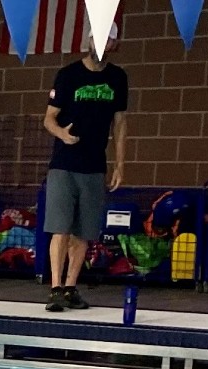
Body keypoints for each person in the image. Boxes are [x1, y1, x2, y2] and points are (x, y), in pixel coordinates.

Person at [40, 36, 128, 314]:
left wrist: (120, 164)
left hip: (94, 165)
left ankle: (70, 287)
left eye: (108, 40)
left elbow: (120, 124)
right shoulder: (69, 74)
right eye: (98, 38)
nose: (102, 44)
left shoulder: (117, 78)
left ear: (114, 44)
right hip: (64, 164)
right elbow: (49, 118)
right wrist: (61, 134)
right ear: (89, 40)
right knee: (60, 228)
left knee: (83, 232)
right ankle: (55, 288)